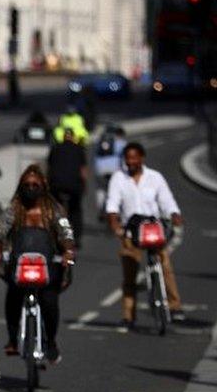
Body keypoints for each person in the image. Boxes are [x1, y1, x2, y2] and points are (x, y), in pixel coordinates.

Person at [0, 165, 75, 362]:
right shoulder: (14, 209)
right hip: (20, 265)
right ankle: (13, 339)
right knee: (13, 296)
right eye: (27, 184)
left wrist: (68, 250)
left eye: (35, 184)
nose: (31, 188)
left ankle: (51, 341)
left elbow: (66, 232)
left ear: (43, 186)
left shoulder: (53, 210)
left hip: (47, 266)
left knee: (49, 301)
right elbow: (0, 229)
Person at [106, 142, 186, 329]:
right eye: (128, 158)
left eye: (134, 157)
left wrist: (174, 215)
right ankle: (128, 315)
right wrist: (115, 225)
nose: (131, 161)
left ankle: (175, 306)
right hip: (131, 230)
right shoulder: (119, 178)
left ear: (142, 158)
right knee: (129, 271)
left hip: (152, 228)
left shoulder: (155, 178)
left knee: (164, 264)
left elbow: (166, 200)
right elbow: (112, 204)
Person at [46, 127, 88, 247]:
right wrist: (84, 186)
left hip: (57, 185)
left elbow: (49, 168)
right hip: (74, 185)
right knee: (75, 210)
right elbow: (83, 171)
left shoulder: (55, 148)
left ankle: (52, 233)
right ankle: (77, 237)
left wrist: (47, 185)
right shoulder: (79, 149)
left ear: (63, 137)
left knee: (54, 209)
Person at [93, 125, 127, 217]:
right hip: (115, 170)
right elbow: (125, 158)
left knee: (101, 189)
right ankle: (118, 211)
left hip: (100, 171)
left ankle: (100, 209)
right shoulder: (121, 143)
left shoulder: (99, 143)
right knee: (118, 189)